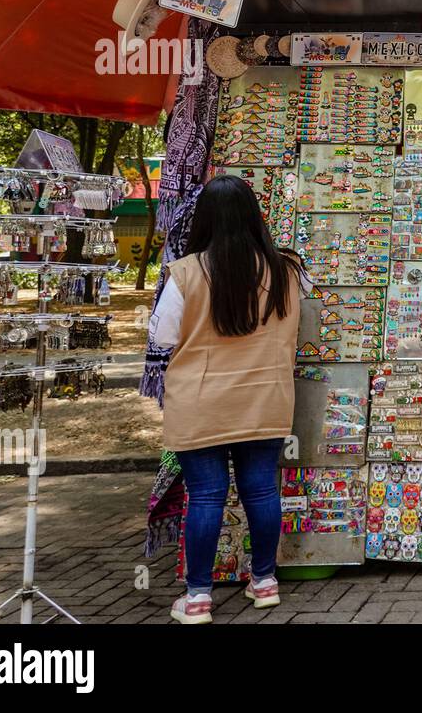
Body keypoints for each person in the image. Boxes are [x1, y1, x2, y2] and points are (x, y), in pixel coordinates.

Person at [149, 175, 308, 623]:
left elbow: (162, 336)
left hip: (202, 402)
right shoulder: (286, 269)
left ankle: (198, 596)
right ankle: (264, 581)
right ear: (255, 217)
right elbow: (302, 319)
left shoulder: (186, 273)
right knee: (261, 490)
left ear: (205, 220)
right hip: (265, 398)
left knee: (205, 497)